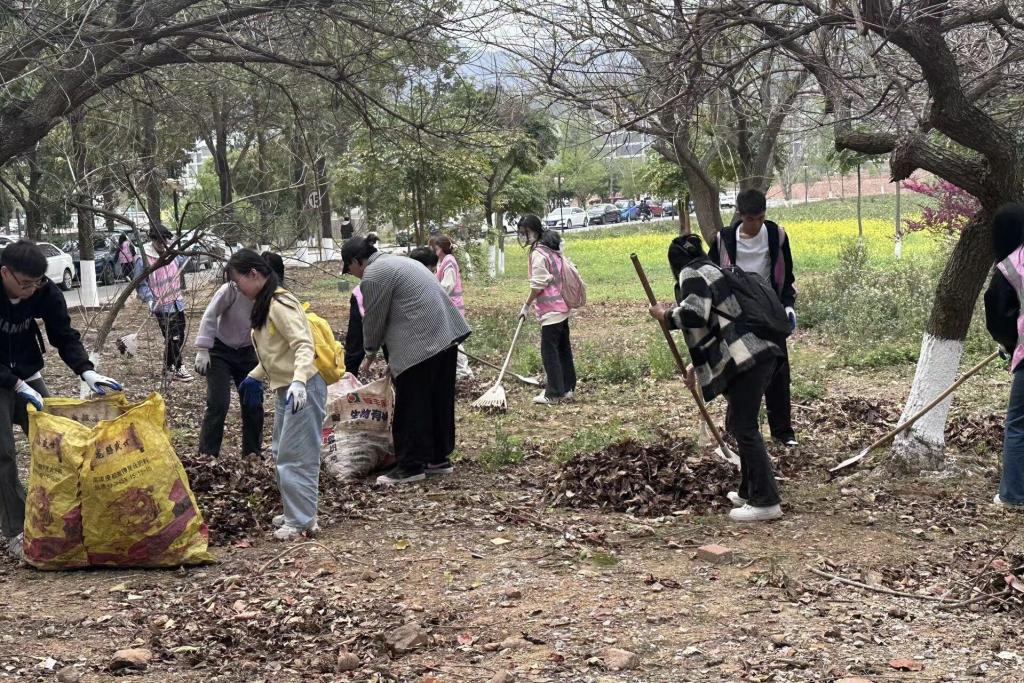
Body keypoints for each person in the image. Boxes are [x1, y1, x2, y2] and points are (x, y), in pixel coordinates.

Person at [649, 234, 783, 522]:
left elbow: (695, 315)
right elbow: (719, 324)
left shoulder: (690, 272)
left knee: (743, 427)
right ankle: (749, 491)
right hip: (756, 356)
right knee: (737, 423)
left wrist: (665, 315)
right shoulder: (714, 269)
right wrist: (693, 367)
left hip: (747, 359)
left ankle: (767, 501)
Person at [0, 241, 122, 559]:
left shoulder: (43, 290)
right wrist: (13, 384)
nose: (30, 290)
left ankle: (66, 516)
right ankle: (16, 531)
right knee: (4, 454)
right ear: (5, 273)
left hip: (25, 372)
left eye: (36, 283)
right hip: (4, 378)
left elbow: (63, 334)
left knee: (56, 441)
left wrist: (86, 371)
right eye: (24, 284)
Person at [341, 235, 470, 485]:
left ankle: (410, 466)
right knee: (437, 401)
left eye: (350, 268)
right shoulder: (398, 262)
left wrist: (369, 352)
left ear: (357, 261)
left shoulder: (374, 274)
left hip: (422, 344)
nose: (352, 274)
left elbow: (374, 318)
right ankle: (437, 458)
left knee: (412, 405)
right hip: (446, 336)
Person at [228, 249, 327, 540]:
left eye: (238, 282)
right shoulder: (265, 303)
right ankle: (297, 511)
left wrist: (298, 382)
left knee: (298, 455)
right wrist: (254, 375)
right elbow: (276, 352)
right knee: (281, 451)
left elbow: (303, 346)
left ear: (254, 274)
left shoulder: (280, 303)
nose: (238, 289)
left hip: (303, 388)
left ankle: (302, 521)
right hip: (285, 387)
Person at [709, 188, 797, 447]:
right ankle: (736, 431)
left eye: (760, 218)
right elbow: (711, 275)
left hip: (770, 313)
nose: (756, 224)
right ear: (740, 215)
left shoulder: (776, 236)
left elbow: (787, 276)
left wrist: (788, 306)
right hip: (737, 316)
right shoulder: (723, 240)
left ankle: (783, 432)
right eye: (750, 219)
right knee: (738, 374)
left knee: (778, 373)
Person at [193, 256, 283, 460]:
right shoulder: (230, 291)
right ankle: (207, 455)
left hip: (248, 353)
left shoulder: (270, 297)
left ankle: (252, 452)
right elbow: (210, 315)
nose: (238, 285)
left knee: (253, 402)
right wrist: (203, 348)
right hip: (220, 350)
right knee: (218, 402)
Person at [984, 203, 1024, 509]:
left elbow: (999, 317)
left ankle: (1012, 495)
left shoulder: (1010, 267)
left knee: (1018, 424)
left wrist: (1010, 345)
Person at [517, 215, 576, 405]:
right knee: (563, 349)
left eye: (525, 233)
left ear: (534, 231)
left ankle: (553, 393)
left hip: (551, 310)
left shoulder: (538, 254)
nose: (522, 237)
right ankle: (567, 388)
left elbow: (538, 284)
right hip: (562, 307)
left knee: (549, 352)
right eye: (520, 233)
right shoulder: (550, 248)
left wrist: (526, 305)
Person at [134, 225, 192, 382]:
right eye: (159, 240)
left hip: (177, 302)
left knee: (179, 335)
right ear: (152, 239)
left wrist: (190, 253)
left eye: (165, 239)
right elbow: (140, 283)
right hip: (161, 305)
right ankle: (179, 367)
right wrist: (149, 299)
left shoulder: (171, 251)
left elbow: (182, 261)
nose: (162, 243)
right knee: (172, 336)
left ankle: (168, 367)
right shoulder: (144, 257)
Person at [433, 235, 474, 380]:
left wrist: (434, 294)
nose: (435, 251)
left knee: (455, 339)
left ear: (442, 249)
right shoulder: (443, 261)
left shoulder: (449, 261)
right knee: (451, 339)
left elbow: (447, 285)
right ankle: (461, 370)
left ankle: (463, 370)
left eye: (436, 248)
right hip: (449, 305)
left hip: (452, 306)